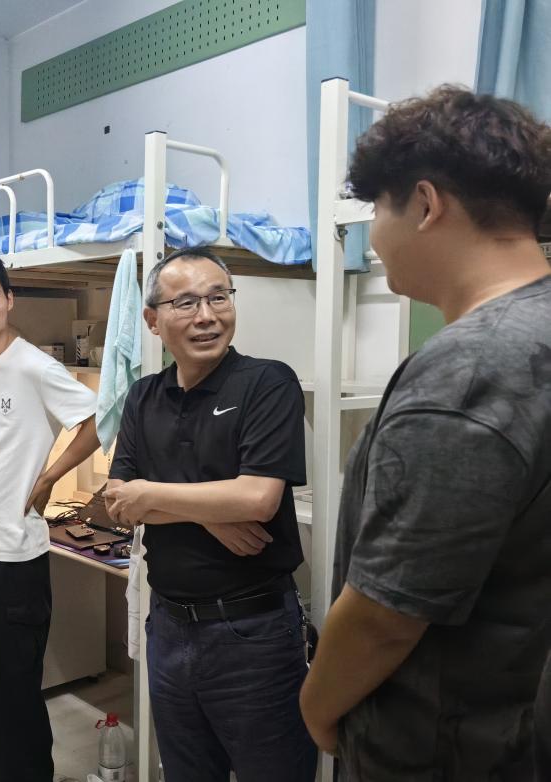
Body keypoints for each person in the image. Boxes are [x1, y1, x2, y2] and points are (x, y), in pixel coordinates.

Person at [299, 86, 551, 780]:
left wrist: (317, 707)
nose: (375, 239)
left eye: (378, 211)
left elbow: (387, 614)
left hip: (439, 748)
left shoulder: (470, 371)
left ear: (426, 204)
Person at [104, 246, 315, 782]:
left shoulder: (267, 383)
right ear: (152, 320)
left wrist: (153, 495)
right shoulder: (143, 396)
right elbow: (117, 501)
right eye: (186, 303)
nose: (206, 315)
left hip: (252, 632)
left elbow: (257, 500)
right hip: (169, 626)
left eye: (219, 297)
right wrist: (207, 514)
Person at [0, 249, 100, 782]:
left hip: (15, 552)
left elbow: (97, 421)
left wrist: (48, 477)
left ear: (9, 300)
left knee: (11, 687)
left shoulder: (34, 365)